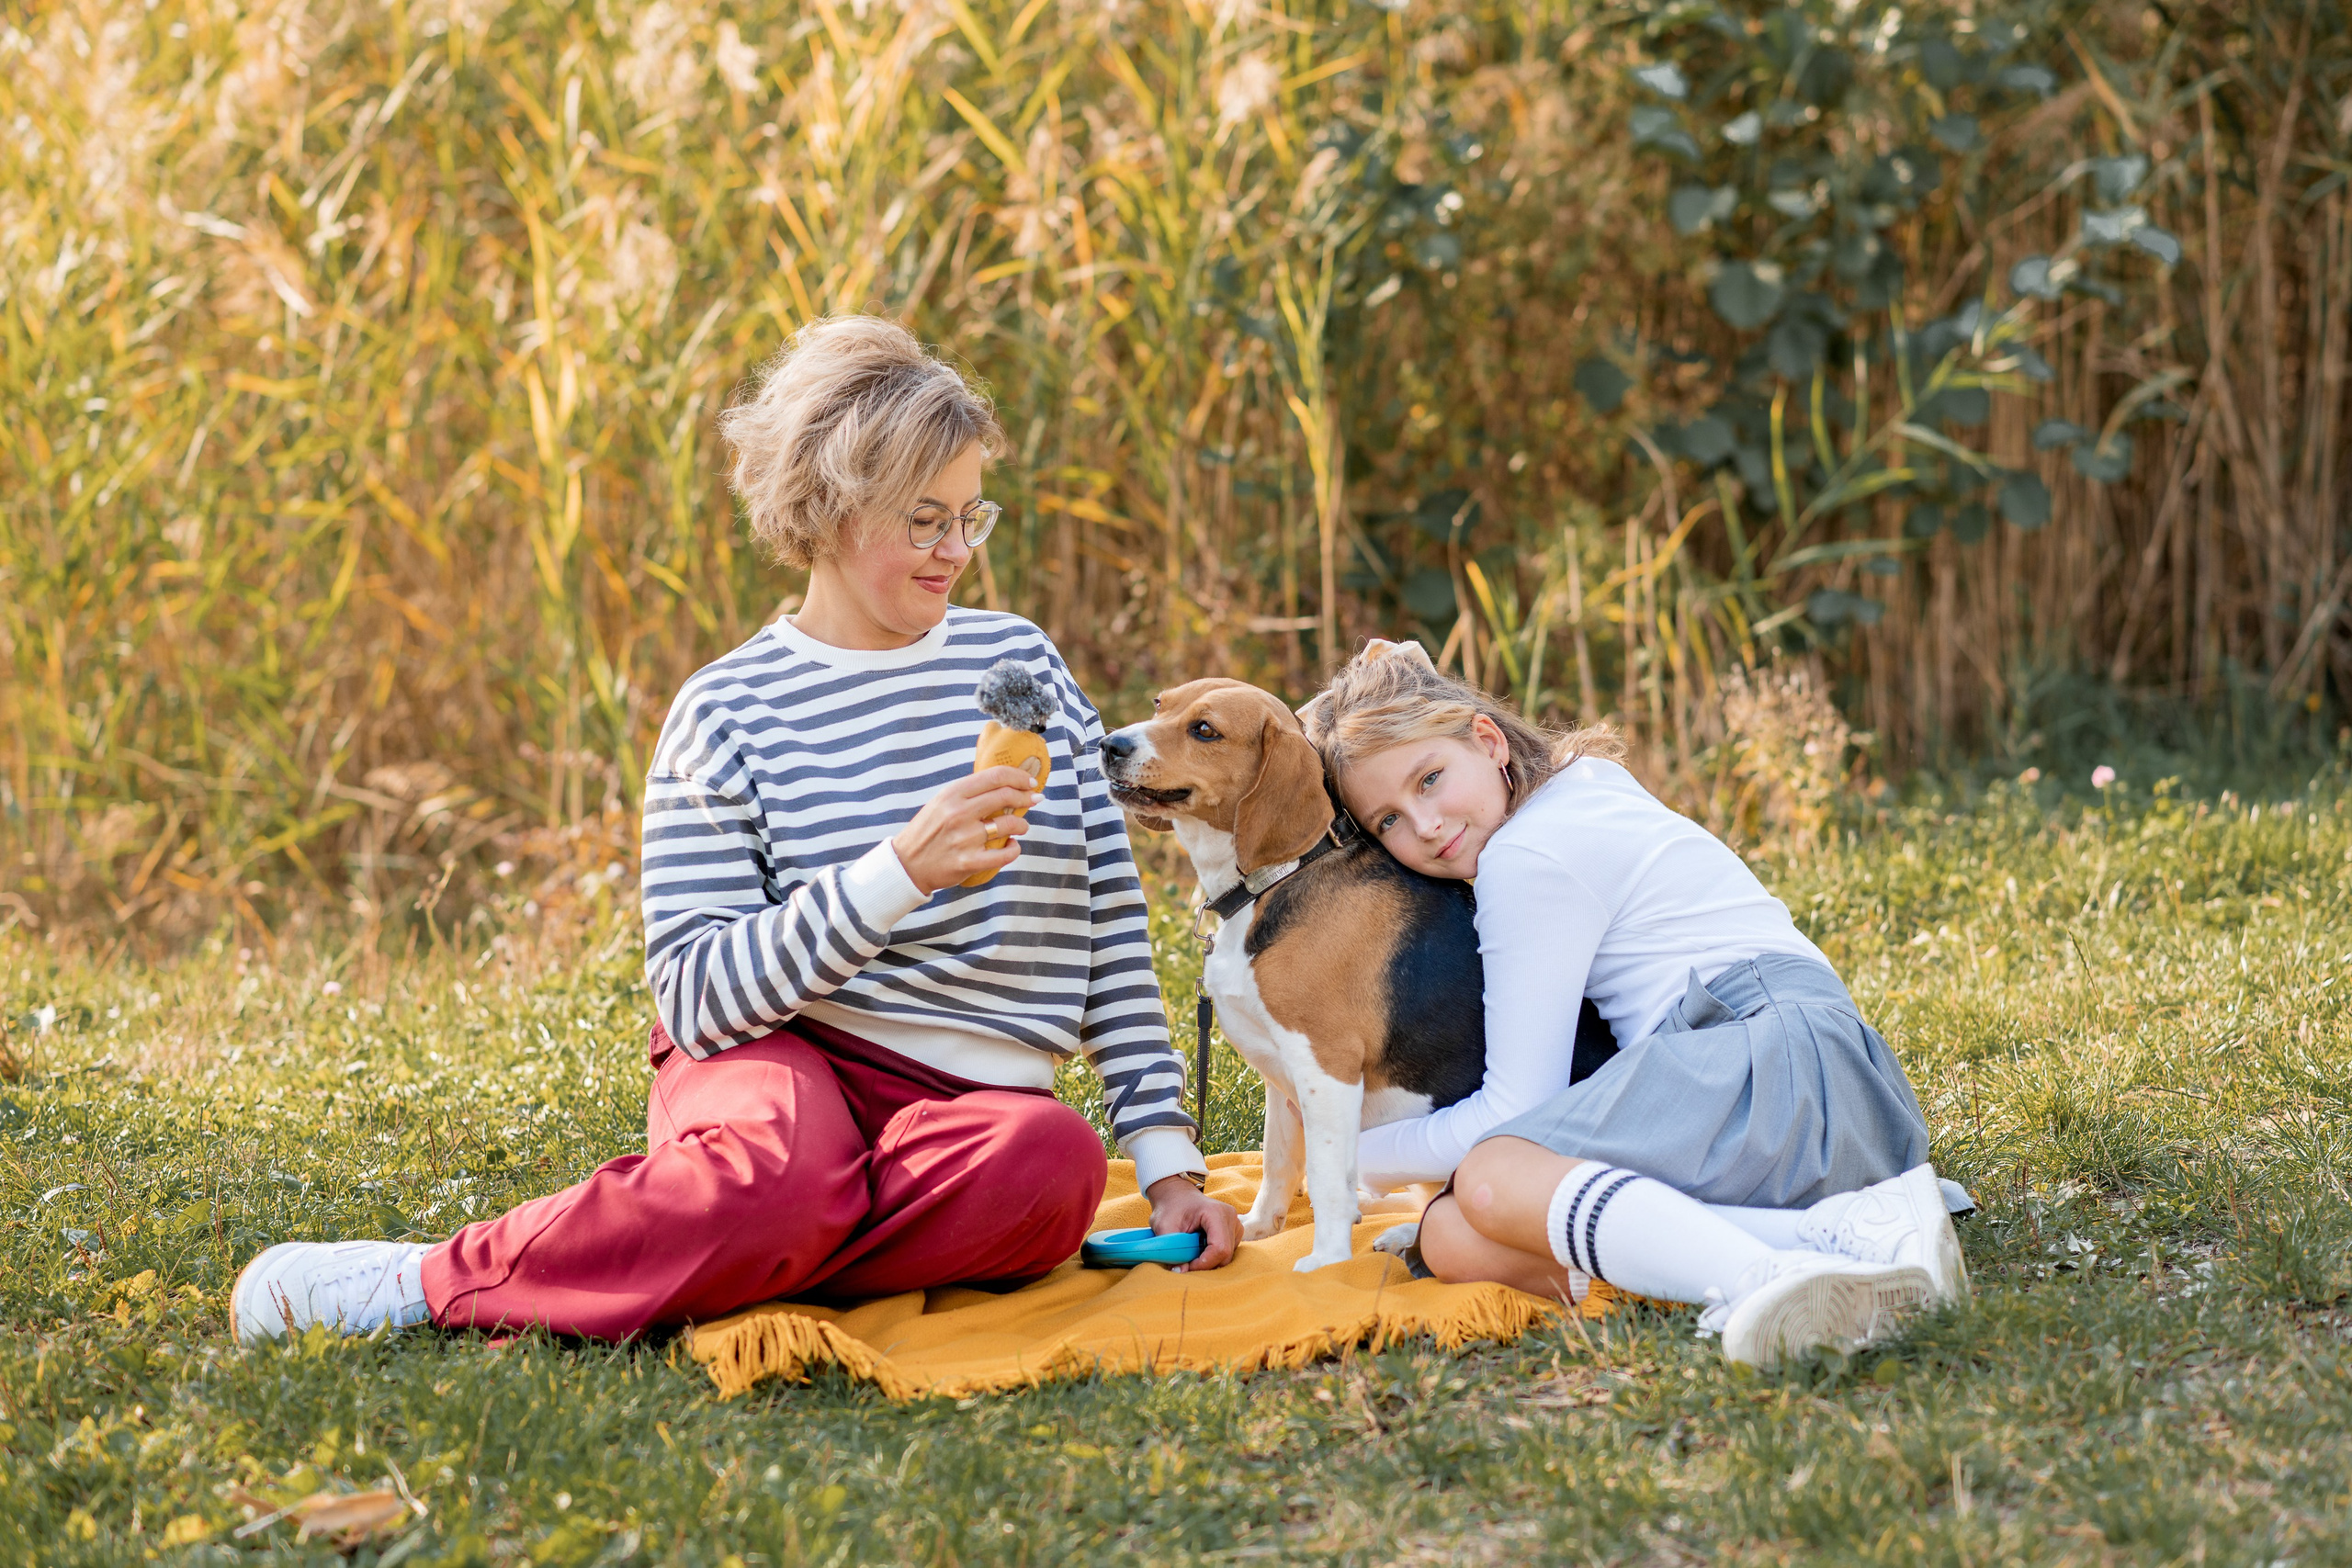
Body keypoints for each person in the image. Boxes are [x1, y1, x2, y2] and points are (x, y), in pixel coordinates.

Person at [232, 316, 1238, 1346]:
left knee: (1052, 1166)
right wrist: (897, 872)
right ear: (832, 508)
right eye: (924, 520)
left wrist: (1168, 1169)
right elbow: (699, 996)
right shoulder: (726, 710)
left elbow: (1110, 935)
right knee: (779, 1173)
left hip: (969, 1113)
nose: (955, 552)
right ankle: (431, 1279)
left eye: (969, 517)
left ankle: (730, 1243)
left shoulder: (1023, 668)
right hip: (784, 1059)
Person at [1301, 639, 1967, 1367]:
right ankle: (1850, 1232)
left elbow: (1512, 1112)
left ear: (1487, 740)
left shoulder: (1526, 858)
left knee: (1493, 1175)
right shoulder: (1585, 780)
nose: (1424, 824)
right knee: (1452, 1237)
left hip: (1763, 1069)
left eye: (1430, 779)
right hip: (1845, 1086)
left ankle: (1776, 1266)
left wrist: (1344, 1155)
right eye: (1388, 820)